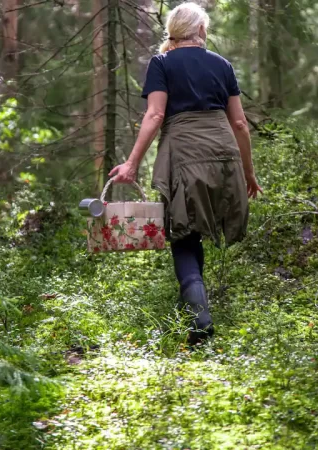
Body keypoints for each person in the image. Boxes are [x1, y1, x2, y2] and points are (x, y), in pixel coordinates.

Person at [109, 2, 262, 346]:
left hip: (185, 154)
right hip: (225, 155)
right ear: (201, 31)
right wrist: (248, 173)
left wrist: (132, 163)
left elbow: (154, 116)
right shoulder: (222, 65)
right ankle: (195, 310)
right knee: (194, 229)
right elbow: (239, 123)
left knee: (183, 233)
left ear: (174, 33)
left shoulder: (162, 63)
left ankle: (199, 317)